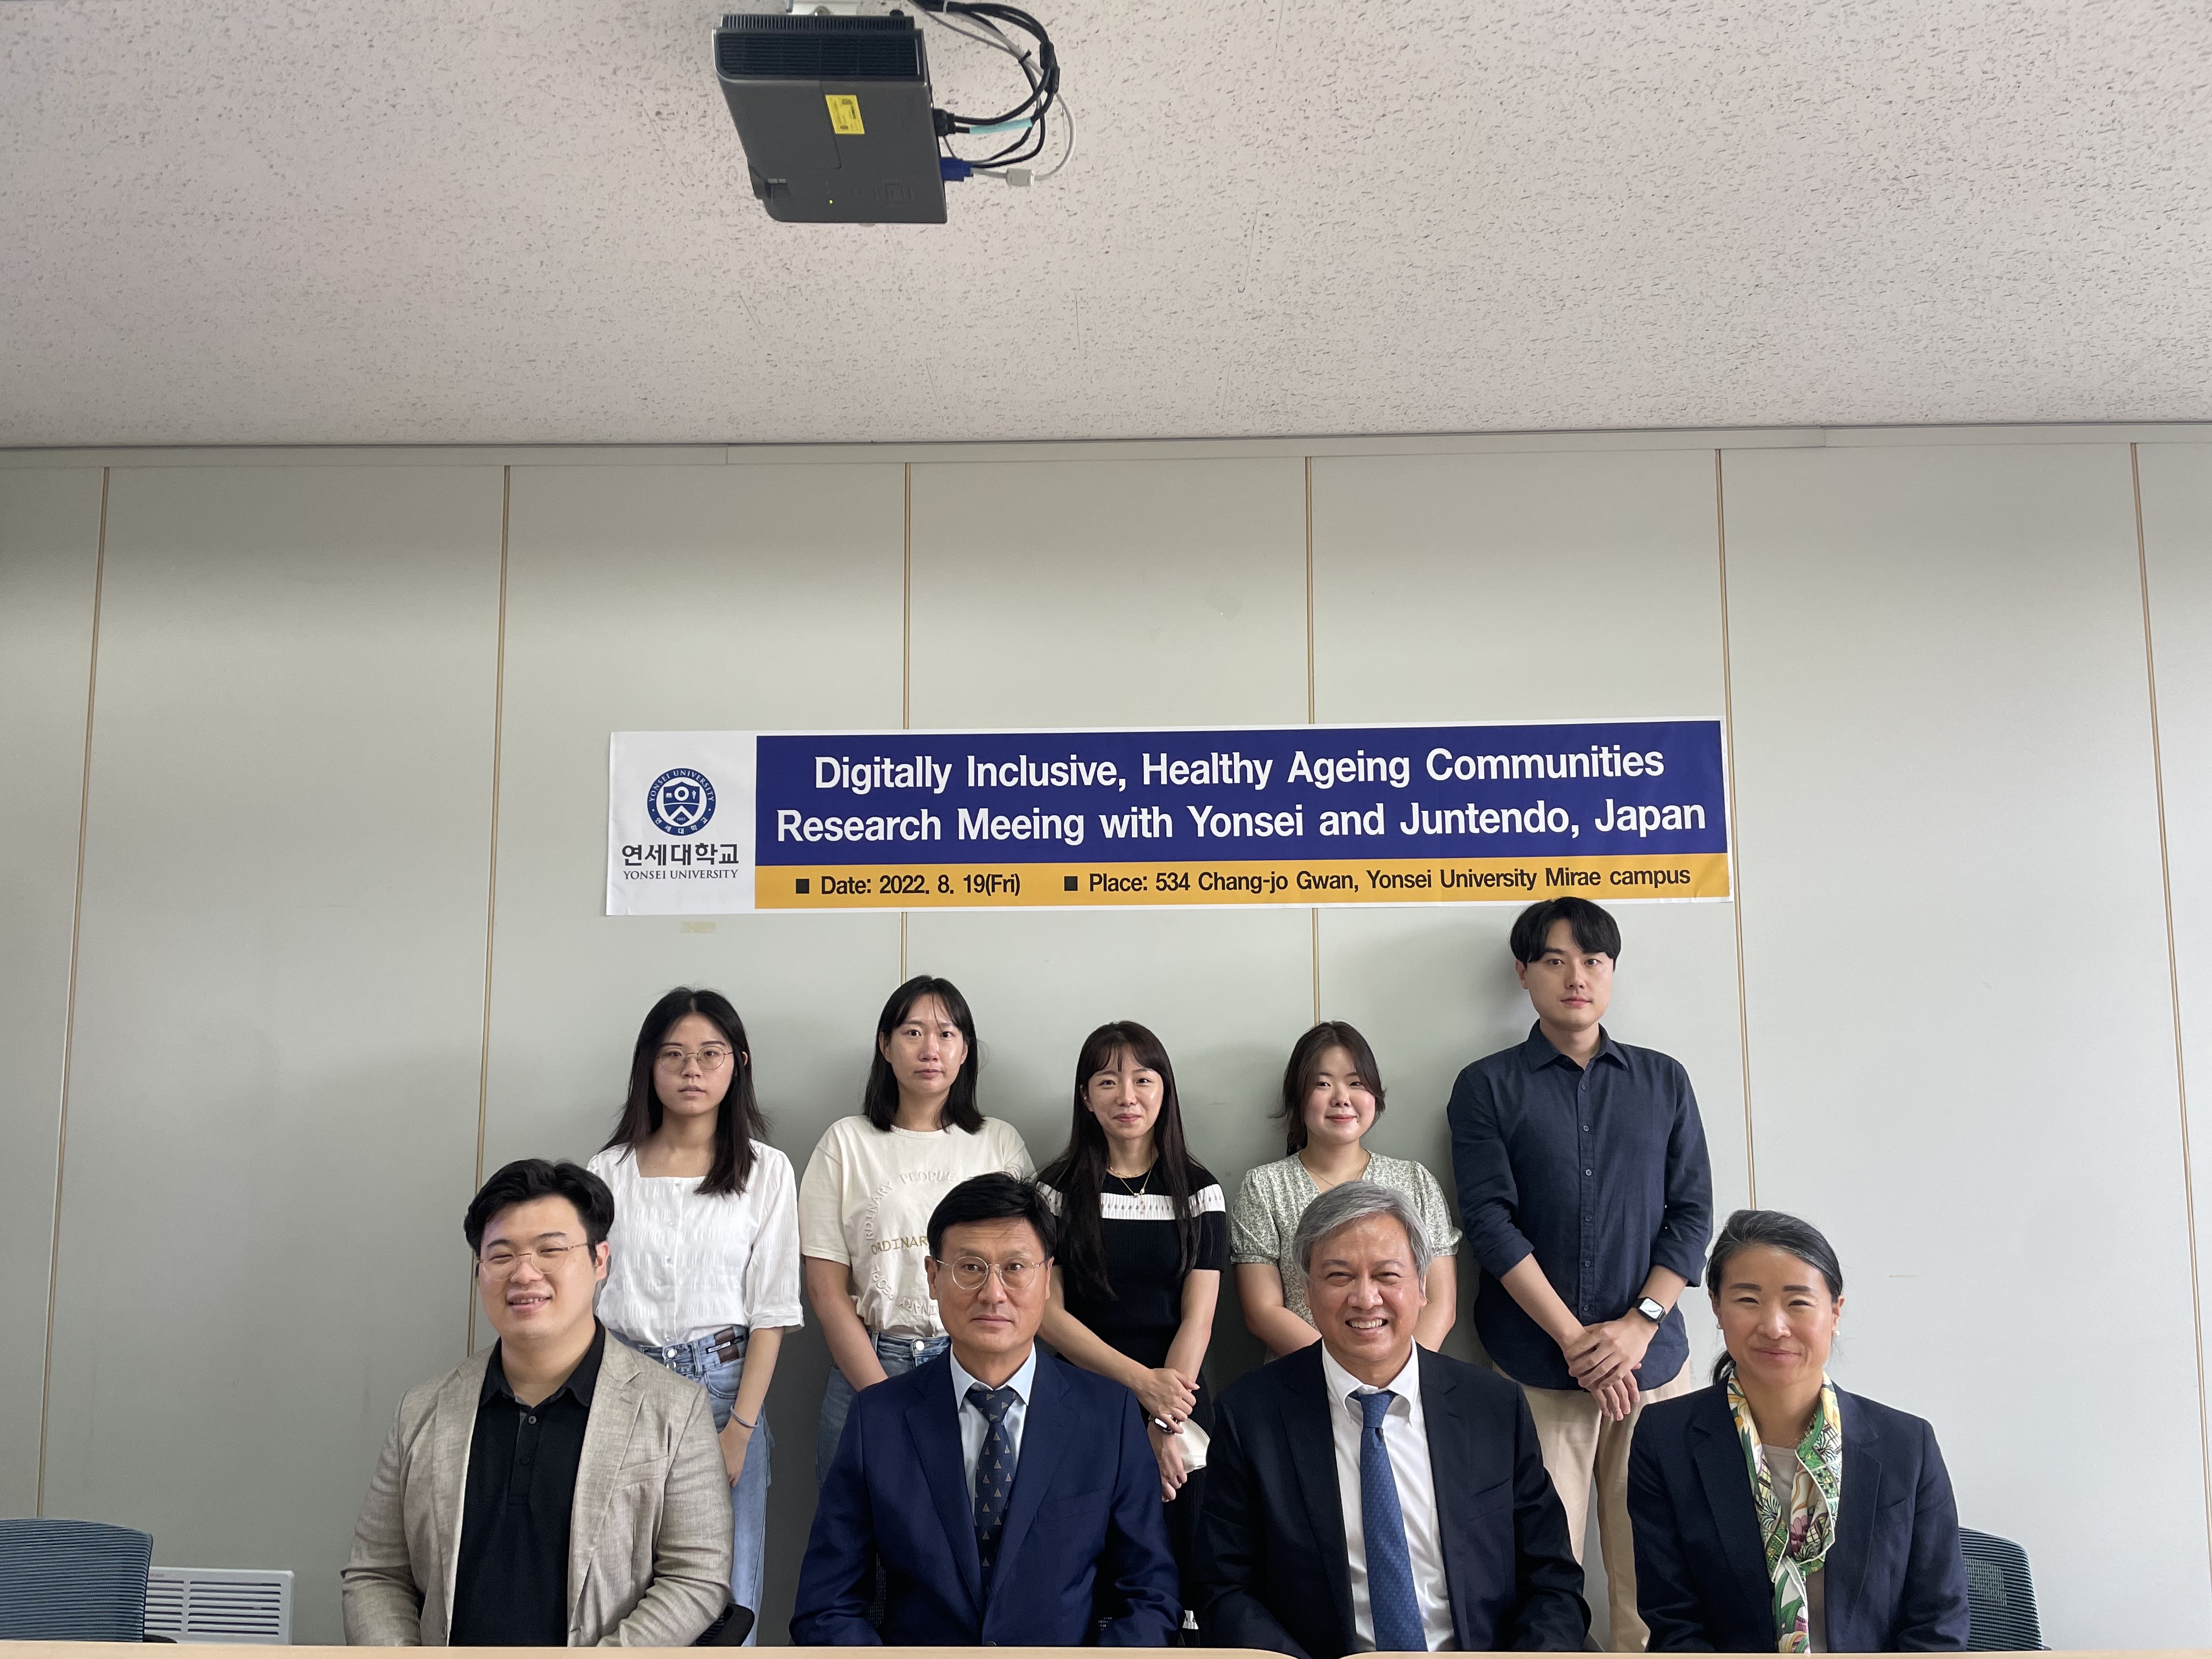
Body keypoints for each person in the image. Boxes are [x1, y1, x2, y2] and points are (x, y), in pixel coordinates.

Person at [1448, 895, 1713, 1651]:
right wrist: (1574, 1341)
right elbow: (1491, 1225)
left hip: (1653, 1367)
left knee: (1660, 1568)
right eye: (1556, 960)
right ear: (1523, 973)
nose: (1577, 977)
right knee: (1539, 1570)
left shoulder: (1664, 1081)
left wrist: (1638, 1326)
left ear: (1612, 972)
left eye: (1593, 960)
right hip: (1535, 1366)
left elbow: (1692, 1214)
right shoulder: (1486, 1086)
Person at [341, 1159, 731, 1646]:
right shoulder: (422, 1410)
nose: (525, 1274)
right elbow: (376, 1575)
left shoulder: (675, 1411)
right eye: (501, 1256)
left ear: (600, 1260)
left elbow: (695, 1578)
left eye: (551, 1250)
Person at [1194, 1182, 1588, 1656]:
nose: (1365, 1299)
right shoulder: (1250, 1416)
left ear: (1422, 1286)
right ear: (1307, 1290)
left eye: (1387, 1275)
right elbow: (1224, 1588)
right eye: (1339, 1276)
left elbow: (1552, 1579)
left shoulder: (1494, 1406)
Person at [791, 1173, 1182, 1646]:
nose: (993, 1293)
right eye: (970, 1268)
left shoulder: (1107, 1416)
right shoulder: (878, 1419)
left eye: (1016, 1267)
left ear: (1046, 1278)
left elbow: (1150, 1595)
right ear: (934, 1278)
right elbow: (826, 1605)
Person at [1628, 1210, 1970, 1653]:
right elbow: (1674, 1622)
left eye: (1798, 1302)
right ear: (1716, 1307)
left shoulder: (1907, 1445)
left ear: (1834, 1312)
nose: (1774, 1326)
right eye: (1748, 1300)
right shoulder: (1666, 1440)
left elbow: (1939, 1623)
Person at [587, 988, 802, 1641]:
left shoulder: (766, 1170)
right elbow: (586, 1304)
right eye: (674, 1055)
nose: (692, 1070)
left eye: (710, 1054)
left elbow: (771, 1313)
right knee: (619, 1576)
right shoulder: (608, 1172)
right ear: (648, 1066)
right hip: (621, 1384)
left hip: (723, 1386)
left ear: (738, 1063)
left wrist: (740, 1428)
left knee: (725, 1588)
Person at [798, 975, 1033, 1482]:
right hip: (870, 1363)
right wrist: (883, 1398)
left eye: (947, 1034)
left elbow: (1028, 1271)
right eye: (912, 1033)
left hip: (977, 1368)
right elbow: (826, 1290)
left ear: (965, 1049)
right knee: (858, 1549)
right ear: (885, 1045)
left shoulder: (998, 1143)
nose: (931, 1049)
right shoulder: (846, 1143)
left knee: (968, 1547)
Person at [1036, 1020, 1228, 1613]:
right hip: (1081, 1405)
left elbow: (1198, 1317)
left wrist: (1165, 1421)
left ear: (1164, 1090)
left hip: (1183, 1404)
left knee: (1183, 1572)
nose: (1127, 1096)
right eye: (1109, 1081)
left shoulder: (1201, 1190)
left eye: (1143, 1079)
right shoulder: (1055, 1191)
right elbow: (1046, 1313)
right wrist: (1139, 1386)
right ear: (1086, 1096)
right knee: (1087, 1582)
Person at [1232, 1020, 1459, 1357]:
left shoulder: (1415, 1180)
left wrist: (1395, 1375)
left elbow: (1440, 1302)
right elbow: (1264, 1312)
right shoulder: (1264, 1187)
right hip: (1302, 1380)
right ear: (1298, 1095)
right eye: (1322, 1084)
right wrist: (1340, 1373)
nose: (1341, 1098)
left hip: (1404, 1385)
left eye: (1356, 1083)